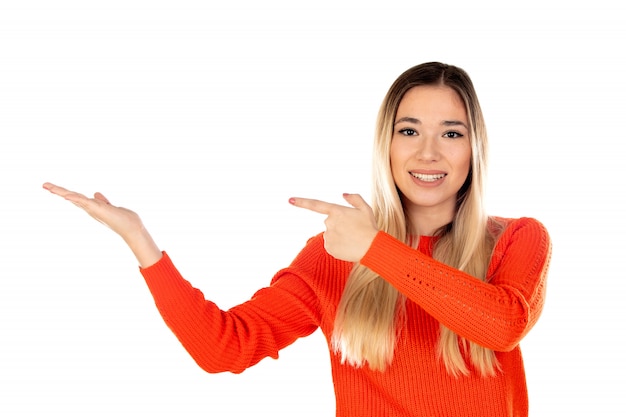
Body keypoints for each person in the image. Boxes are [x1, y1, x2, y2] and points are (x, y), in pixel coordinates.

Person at [43, 62, 551, 417]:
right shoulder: (334, 254)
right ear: (387, 144)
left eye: (452, 133)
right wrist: (140, 241)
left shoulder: (517, 239)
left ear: (474, 148)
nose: (429, 153)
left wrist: (374, 248)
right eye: (410, 131)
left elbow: (501, 324)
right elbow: (226, 347)